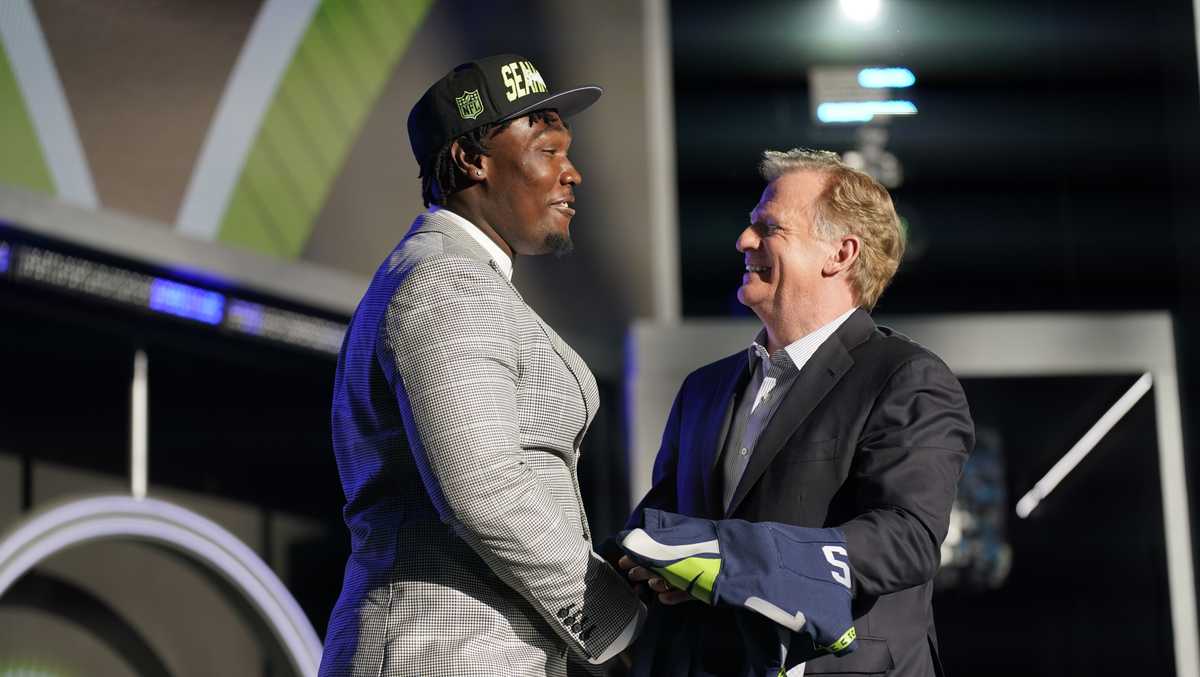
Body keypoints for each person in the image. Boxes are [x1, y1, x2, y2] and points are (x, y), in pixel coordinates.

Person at [319, 54, 645, 677]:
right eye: (547, 150)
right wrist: (616, 623)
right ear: (473, 160)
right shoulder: (447, 281)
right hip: (441, 655)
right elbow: (485, 493)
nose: (572, 172)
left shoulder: (460, 276)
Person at [619, 149, 974, 676]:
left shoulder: (906, 378)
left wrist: (731, 560)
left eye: (768, 228)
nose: (744, 241)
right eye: (749, 226)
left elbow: (906, 539)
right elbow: (661, 527)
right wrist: (653, 566)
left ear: (841, 254)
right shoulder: (705, 389)